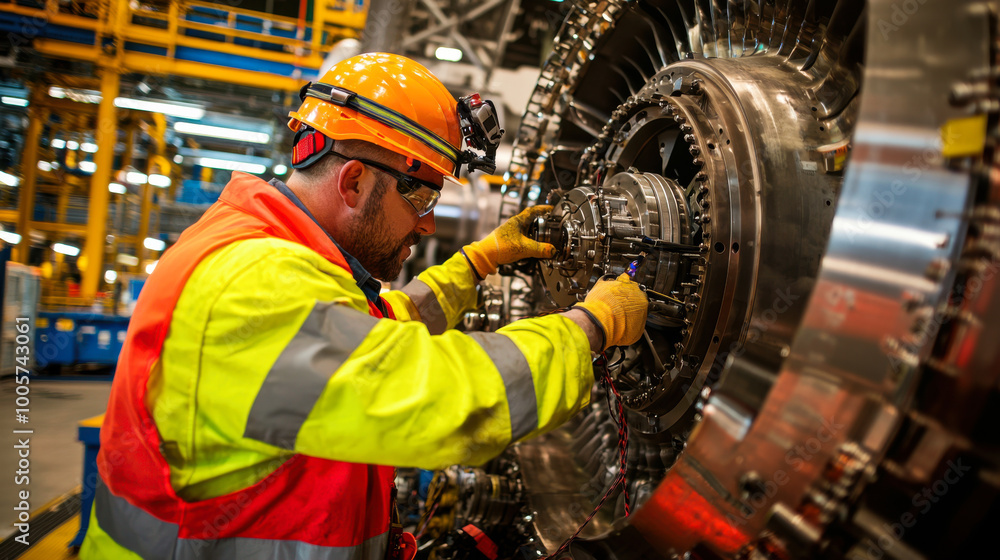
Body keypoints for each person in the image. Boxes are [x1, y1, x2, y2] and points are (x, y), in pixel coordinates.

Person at [81, 52, 648, 560]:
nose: (428, 224)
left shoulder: (273, 253)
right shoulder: (250, 286)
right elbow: (436, 397)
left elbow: (380, 328)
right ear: (353, 181)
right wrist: (590, 326)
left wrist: (479, 262)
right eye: (422, 195)